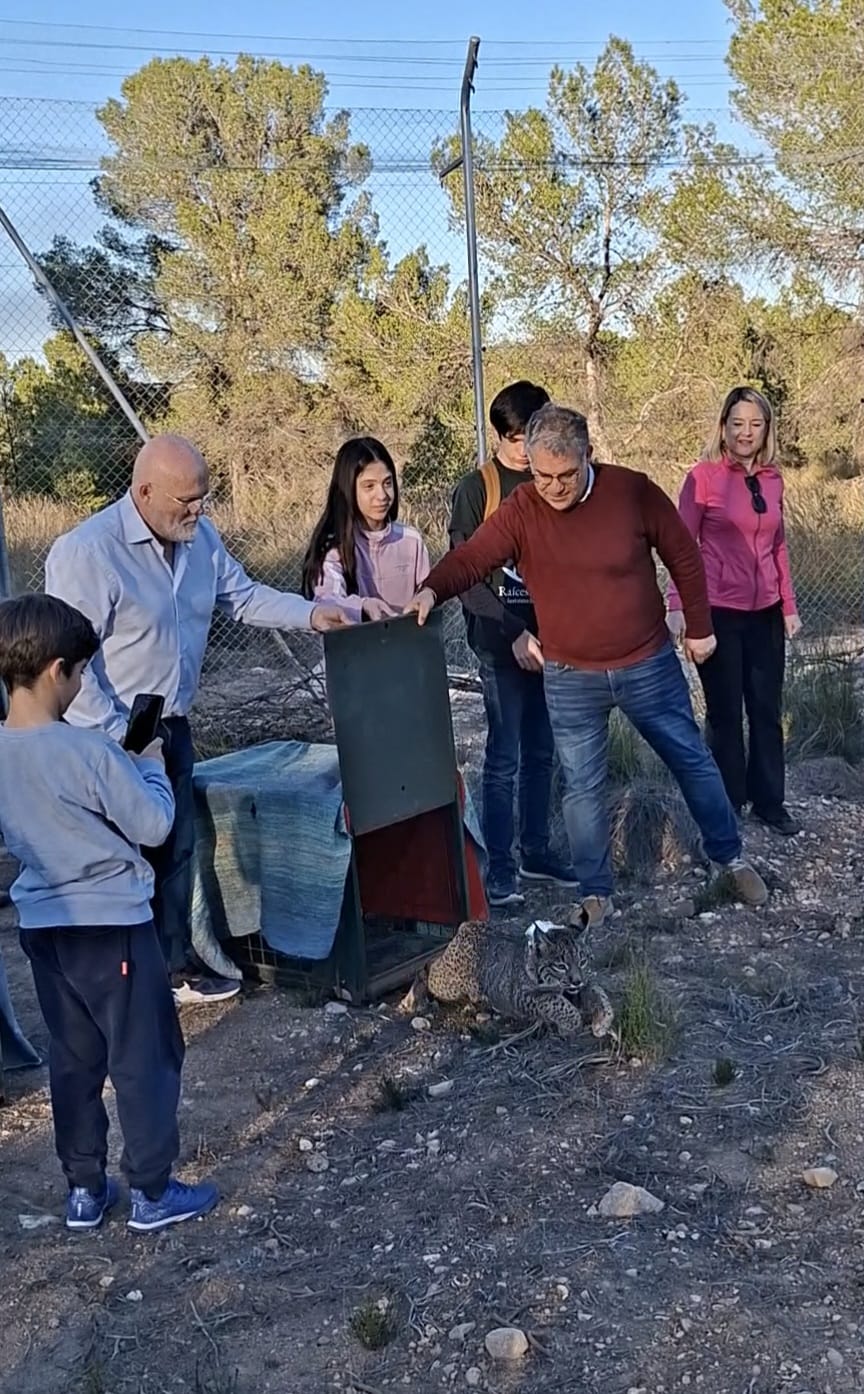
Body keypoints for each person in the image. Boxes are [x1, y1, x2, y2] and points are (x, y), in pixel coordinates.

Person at [405, 403, 768, 926]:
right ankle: (596, 893)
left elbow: (683, 554)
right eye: (542, 475)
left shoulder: (632, 492)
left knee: (690, 757)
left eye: (566, 475)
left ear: (588, 456)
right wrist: (431, 590)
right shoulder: (523, 508)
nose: (554, 487)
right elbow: (472, 557)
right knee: (581, 787)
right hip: (570, 675)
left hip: (647, 663)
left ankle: (729, 858)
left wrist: (699, 624)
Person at [45, 435, 350, 1007]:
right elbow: (67, 664)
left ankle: (172, 966)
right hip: (105, 733)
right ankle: (114, 979)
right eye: (186, 500)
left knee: (175, 848)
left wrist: (314, 615)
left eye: (203, 497)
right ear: (144, 492)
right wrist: (117, 740)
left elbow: (244, 597)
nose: (198, 510)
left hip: (169, 725)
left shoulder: (200, 539)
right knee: (117, 859)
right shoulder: (88, 553)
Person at [0, 593, 218, 1232]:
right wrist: (147, 768)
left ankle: (84, 1189)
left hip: (44, 928)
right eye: (80, 672)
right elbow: (152, 824)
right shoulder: (90, 754)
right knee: (143, 1054)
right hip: (113, 926)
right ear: (56, 671)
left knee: (74, 1058)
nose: (82, 685)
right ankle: (151, 1190)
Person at [448, 381, 579, 907]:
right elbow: (464, 574)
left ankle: (536, 852)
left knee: (542, 753)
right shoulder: (477, 489)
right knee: (503, 756)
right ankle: (499, 867)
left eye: (537, 435)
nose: (529, 449)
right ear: (503, 436)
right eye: (520, 438)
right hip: (502, 644)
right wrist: (515, 632)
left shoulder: (556, 482)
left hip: (554, 644)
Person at [667, 387, 801, 836]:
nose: (746, 433)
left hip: (765, 613)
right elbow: (682, 547)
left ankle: (770, 802)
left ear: (767, 430)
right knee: (725, 713)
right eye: (738, 424)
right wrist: (677, 606)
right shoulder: (702, 478)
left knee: (766, 709)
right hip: (718, 612)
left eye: (755, 424)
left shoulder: (773, 479)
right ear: (723, 427)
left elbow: (778, 547)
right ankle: (728, 802)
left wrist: (788, 606)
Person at [301, 436, 430, 620]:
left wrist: (427, 596)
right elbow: (327, 599)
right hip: (356, 638)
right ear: (348, 490)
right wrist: (362, 607)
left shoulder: (411, 540)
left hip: (406, 638)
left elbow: (427, 591)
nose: (382, 495)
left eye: (387, 483)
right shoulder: (334, 546)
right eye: (369, 486)